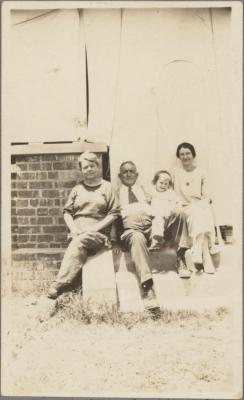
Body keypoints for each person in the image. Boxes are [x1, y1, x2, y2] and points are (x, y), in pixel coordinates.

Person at [116, 161, 191, 312]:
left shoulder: (145, 190)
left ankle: (180, 256)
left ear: (137, 175)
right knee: (137, 239)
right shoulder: (115, 193)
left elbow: (161, 203)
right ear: (119, 176)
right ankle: (148, 289)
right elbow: (112, 216)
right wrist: (114, 240)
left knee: (179, 213)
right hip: (132, 229)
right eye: (125, 172)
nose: (129, 174)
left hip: (152, 226)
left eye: (132, 171)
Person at [47, 151, 119, 299]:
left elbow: (114, 213)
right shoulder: (77, 189)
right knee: (78, 242)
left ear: (98, 167)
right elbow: (67, 212)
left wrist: (93, 228)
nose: (89, 169)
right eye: (85, 167)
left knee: (80, 241)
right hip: (78, 234)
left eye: (92, 166)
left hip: (98, 235)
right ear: (81, 170)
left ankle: (59, 285)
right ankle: (71, 290)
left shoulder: (107, 187)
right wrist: (73, 229)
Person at [173, 142, 220, 274]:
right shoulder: (176, 172)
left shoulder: (202, 172)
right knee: (200, 214)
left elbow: (206, 196)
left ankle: (199, 253)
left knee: (200, 211)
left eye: (188, 153)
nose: (185, 156)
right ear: (179, 157)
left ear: (193, 155)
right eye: (182, 154)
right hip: (182, 208)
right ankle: (206, 258)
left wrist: (199, 205)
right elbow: (171, 192)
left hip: (198, 207)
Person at [149, 170, 182, 251]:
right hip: (154, 215)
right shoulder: (152, 192)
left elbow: (178, 202)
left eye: (166, 184)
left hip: (167, 216)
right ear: (155, 182)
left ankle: (157, 239)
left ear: (169, 185)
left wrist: (175, 209)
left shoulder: (171, 193)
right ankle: (155, 242)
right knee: (156, 221)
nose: (163, 185)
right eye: (161, 182)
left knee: (159, 220)